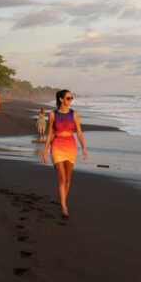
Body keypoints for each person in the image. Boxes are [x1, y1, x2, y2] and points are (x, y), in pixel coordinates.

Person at [42, 90, 87, 218]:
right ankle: (63, 207)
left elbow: (78, 132)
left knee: (67, 179)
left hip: (70, 147)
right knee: (62, 178)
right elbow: (49, 134)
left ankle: (63, 200)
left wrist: (83, 148)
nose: (70, 100)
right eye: (68, 98)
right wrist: (44, 152)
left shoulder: (74, 114)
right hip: (56, 147)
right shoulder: (52, 115)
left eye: (71, 98)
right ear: (61, 99)